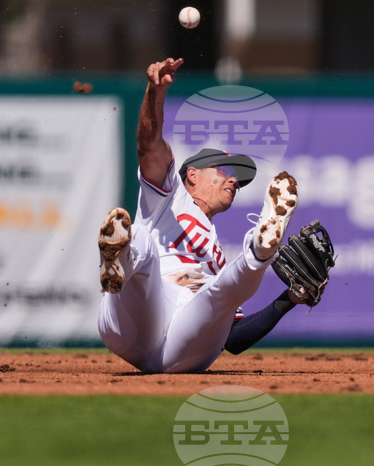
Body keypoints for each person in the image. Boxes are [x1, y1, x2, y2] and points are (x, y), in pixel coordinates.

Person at [96, 57, 304, 373]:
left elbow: (234, 340)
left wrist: (289, 299)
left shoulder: (218, 257)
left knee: (222, 289)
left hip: (184, 347)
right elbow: (149, 146)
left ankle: (261, 248)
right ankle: (117, 261)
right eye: (224, 170)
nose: (233, 180)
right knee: (140, 237)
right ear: (192, 175)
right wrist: (156, 94)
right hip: (139, 317)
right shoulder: (169, 197)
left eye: (238, 177)